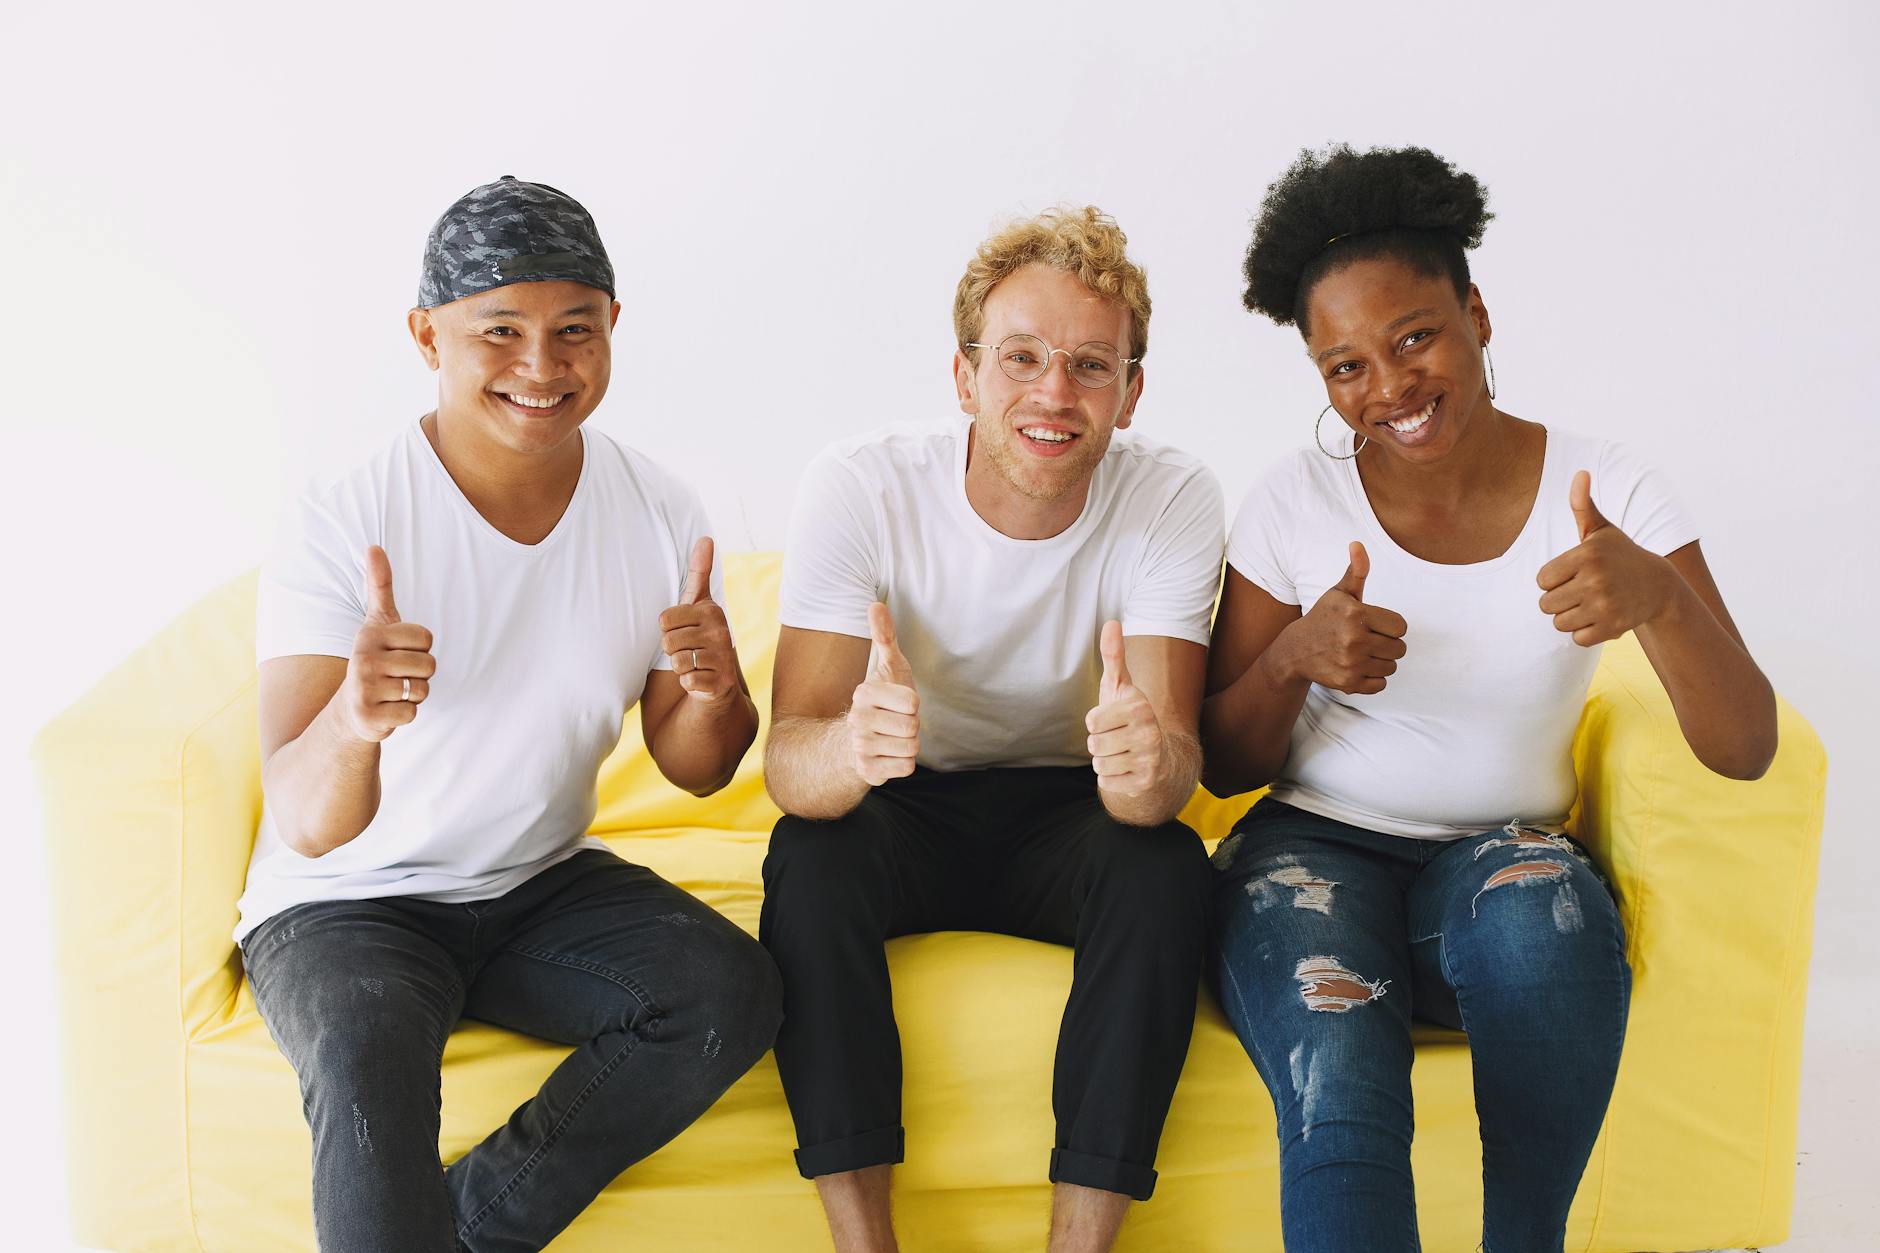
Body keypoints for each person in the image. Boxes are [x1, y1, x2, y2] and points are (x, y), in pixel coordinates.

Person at [1202, 145, 1778, 1253]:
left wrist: (1657, 597)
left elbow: (1744, 745)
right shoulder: (1292, 499)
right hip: (1307, 854)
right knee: (1340, 1087)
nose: (1387, 388)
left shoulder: (1607, 485)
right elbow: (1221, 764)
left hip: (1498, 859)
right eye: (1344, 365)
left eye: (1412, 337)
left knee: (1542, 914)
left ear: (1475, 313)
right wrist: (1290, 662)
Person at [235, 176, 782, 1253]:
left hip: (536, 882)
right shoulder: (343, 517)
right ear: (426, 336)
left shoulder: (660, 509)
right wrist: (352, 721)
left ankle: (464, 1230)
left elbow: (698, 767)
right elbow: (306, 822)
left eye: (574, 329)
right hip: (350, 903)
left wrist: (719, 692)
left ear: (612, 326)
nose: (541, 365)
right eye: (500, 331)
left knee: (730, 993)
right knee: (365, 1059)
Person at [759, 206, 1224, 1253]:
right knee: (808, 856)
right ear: (965, 376)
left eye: (1090, 365)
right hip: (903, 798)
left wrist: (1146, 770)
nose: (1054, 393)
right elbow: (788, 759)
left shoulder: (1173, 496)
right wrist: (849, 746)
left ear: (1130, 392)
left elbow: (1170, 772)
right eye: (1020, 357)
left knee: (1165, 865)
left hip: (1072, 806)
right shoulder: (860, 485)